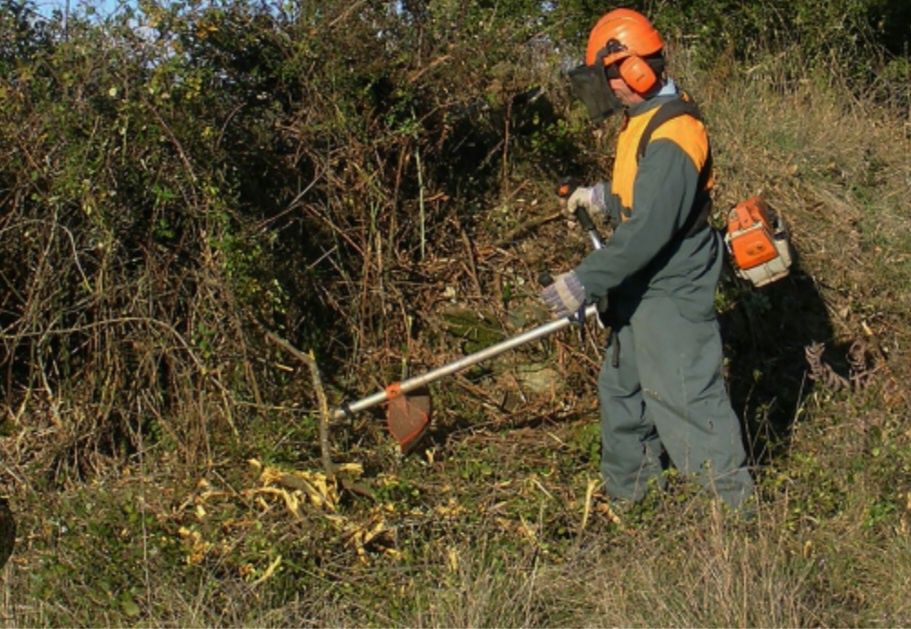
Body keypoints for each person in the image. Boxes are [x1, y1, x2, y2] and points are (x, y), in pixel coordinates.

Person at [540, 8, 754, 509]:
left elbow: (651, 229)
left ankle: (738, 526)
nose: (606, 89)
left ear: (633, 69)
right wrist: (598, 197)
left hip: (670, 285)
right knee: (624, 398)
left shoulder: (676, 130)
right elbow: (640, 195)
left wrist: (584, 280)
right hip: (640, 284)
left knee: (686, 401)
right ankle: (636, 512)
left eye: (608, 77)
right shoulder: (641, 121)